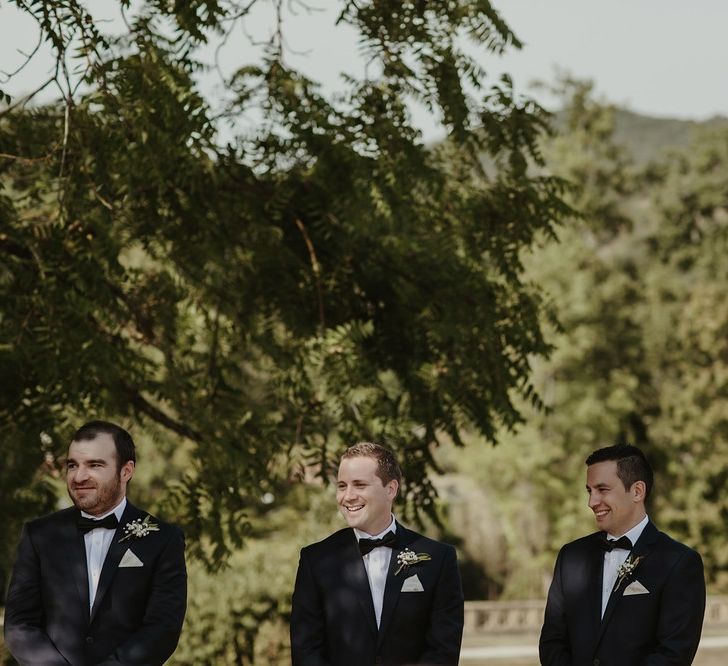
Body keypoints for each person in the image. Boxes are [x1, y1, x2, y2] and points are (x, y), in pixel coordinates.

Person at [4, 420, 187, 666]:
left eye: (95, 465)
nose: (79, 476)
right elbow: (19, 624)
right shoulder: (39, 535)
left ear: (126, 471)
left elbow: (162, 628)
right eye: (72, 465)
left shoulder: (163, 539)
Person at [290, 442, 464, 666]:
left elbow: (444, 650)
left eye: (359, 485)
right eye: (342, 486)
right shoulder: (316, 560)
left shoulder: (439, 559)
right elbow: (306, 651)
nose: (348, 496)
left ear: (391, 489)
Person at [539, 443, 706, 666]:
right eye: (589, 491)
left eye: (602, 490)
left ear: (637, 491)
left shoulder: (680, 562)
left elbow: (673, 654)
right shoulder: (571, 557)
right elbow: (552, 643)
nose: (592, 502)